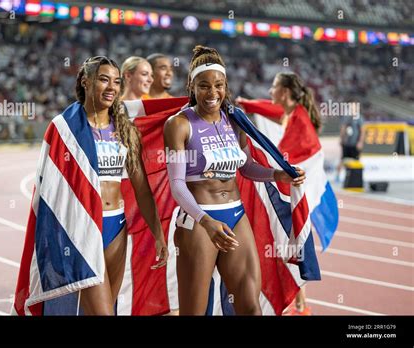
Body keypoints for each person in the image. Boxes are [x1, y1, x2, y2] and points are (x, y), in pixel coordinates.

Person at [163, 46, 306, 315]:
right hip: (199, 221)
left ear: (226, 85)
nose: (212, 93)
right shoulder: (179, 124)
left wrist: (279, 175)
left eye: (218, 85)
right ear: (192, 87)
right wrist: (206, 222)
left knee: (251, 307)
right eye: (204, 86)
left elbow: (247, 167)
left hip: (236, 216)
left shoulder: (235, 120)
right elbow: (177, 184)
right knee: (193, 311)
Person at [76, 56, 168, 314]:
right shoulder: (68, 127)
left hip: (116, 226)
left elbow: (141, 188)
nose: (111, 88)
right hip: (84, 226)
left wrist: (157, 234)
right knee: (101, 310)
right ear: (86, 82)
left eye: (115, 82)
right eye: (104, 80)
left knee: (107, 306)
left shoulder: (124, 129)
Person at [237, 71, 322, 315]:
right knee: (286, 242)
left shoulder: (299, 120)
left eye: (274, 87)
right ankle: (299, 303)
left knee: (288, 241)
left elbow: (290, 159)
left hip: (300, 189)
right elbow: (266, 108)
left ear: (284, 93)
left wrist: (273, 173)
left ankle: (300, 305)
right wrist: (244, 104)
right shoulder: (289, 113)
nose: (270, 92)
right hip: (296, 187)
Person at [337, 101, 364, 182]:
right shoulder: (346, 117)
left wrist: (360, 142)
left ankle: (356, 177)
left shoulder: (359, 118)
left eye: (354, 107)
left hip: (355, 144)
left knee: (356, 161)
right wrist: (341, 139)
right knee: (342, 160)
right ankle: (338, 176)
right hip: (346, 143)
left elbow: (362, 131)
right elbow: (343, 128)